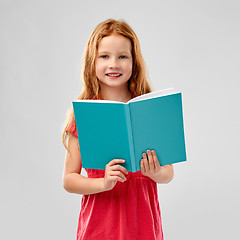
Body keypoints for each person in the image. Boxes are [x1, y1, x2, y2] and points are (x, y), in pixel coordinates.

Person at [62, 19, 174, 240]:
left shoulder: (150, 111)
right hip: (100, 227)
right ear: (92, 62)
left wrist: (156, 172)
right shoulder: (83, 116)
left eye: (123, 56)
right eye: (104, 56)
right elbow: (69, 179)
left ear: (134, 62)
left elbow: (168, 173)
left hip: (142, 227)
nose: (113, 64)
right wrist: (103, 182)